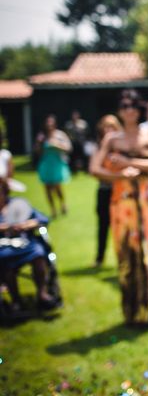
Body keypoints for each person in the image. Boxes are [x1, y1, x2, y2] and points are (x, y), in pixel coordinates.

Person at [90, 90, 148, 327]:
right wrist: (117, 174)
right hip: (123, 201)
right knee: (129, 251)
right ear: (119, 110)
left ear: (140, 108)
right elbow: (95, 168)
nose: (129, 110)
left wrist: (130, 162)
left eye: (133, 105)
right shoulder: (111, 138)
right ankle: (135, 311)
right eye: (124, 105)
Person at [0, 180, 58, 312]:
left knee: (38, 253)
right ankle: (16, 300)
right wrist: (5, 228)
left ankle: (42, 293)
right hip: (3, 247)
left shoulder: (17, 204)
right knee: (5, 262)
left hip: (25, 243)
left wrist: (26, 224)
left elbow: (42, 219)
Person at [90, 115, 122, 267]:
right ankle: (99, 257)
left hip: (121, 193)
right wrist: (117, 176)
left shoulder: (123, 147)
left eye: (112, 127)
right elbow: (94, 171)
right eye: (106, 127)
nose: (109, 130)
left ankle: (123, 257)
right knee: (103, 226)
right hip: (104, 192)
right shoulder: (99, 147)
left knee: (122, 226)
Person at [35, 115, 71, 218]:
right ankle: (53, 209)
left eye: (51, 124)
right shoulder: (42, 137)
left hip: (57, 164)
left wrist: (56, 145)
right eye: (47, 124)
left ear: (55, 124)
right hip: (46, 164)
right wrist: (39, 144)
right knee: (47, 188)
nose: (49, 126)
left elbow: (68, 148)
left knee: (57, 187)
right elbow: (37, 152)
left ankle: (63, 204)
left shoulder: (60, 135)